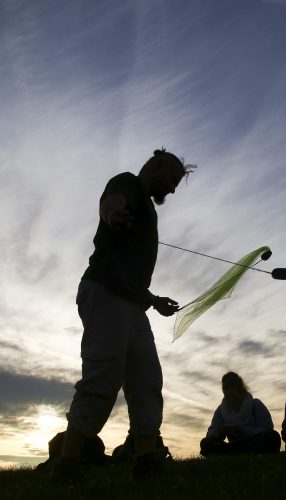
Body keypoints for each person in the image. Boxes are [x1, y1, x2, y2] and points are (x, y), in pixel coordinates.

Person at [52, 149, 195, 481]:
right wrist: (113, 213)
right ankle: (67, 463)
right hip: (103, 293)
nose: (172, 189)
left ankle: (145, 460)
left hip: (131, 303)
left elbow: (127, 272)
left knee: (147, 379)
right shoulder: (128, 183)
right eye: (172, 179)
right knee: (103, 377)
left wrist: (153, 299)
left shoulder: (147, 207)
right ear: (157, 164)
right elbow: (112, 201)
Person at [200, 372, 281, 456]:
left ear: (239, 388)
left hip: (253, 443)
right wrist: (219, 432)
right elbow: (209, 434)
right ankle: (233, 451)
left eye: (231, 387)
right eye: (226, 389)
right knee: (205, 443)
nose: (229, 393)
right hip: (233, 446)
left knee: (273, 437)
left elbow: (268, 429)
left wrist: (244, 431)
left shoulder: (255, 404)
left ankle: (232, 452)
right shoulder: (221, 410)